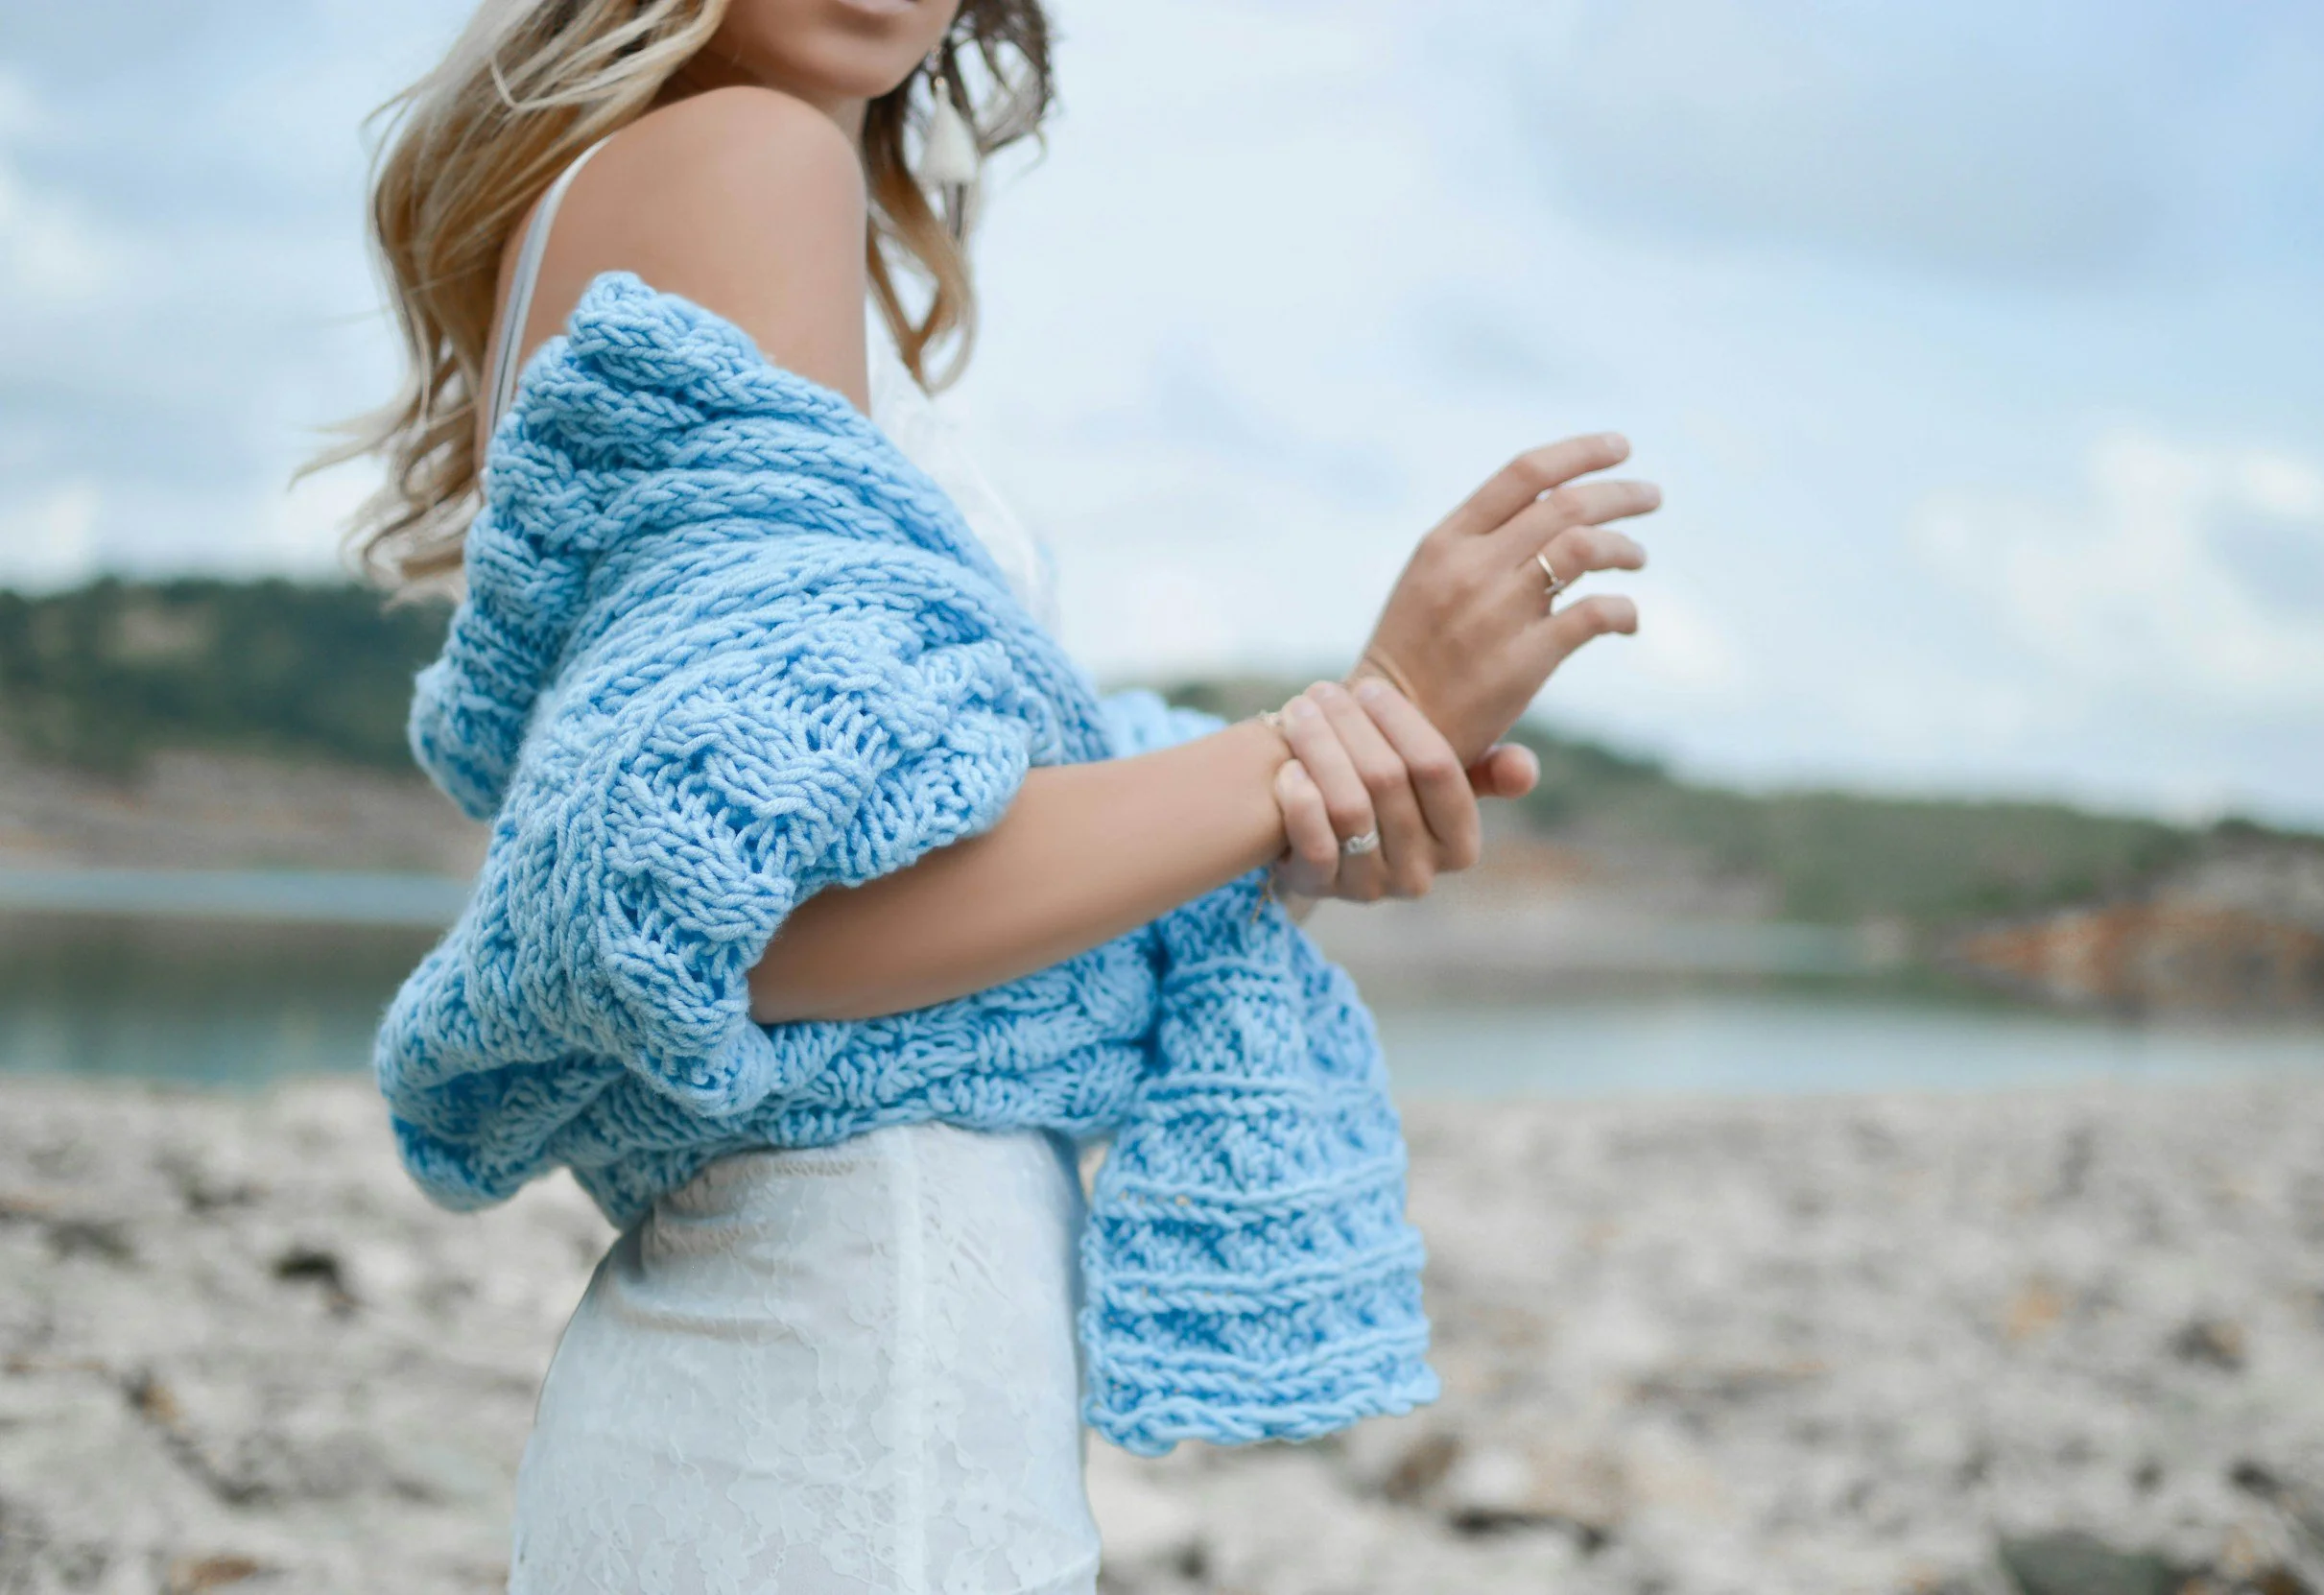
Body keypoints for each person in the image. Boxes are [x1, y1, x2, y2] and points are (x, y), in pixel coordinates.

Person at [335, 1, 1656, 1588]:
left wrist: (1303, 805)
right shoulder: (749, 161)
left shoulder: (670, 193)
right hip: (844, 1402)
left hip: (802, 1387)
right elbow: (758, 918)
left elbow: (883, 842)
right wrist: (1327, 737)